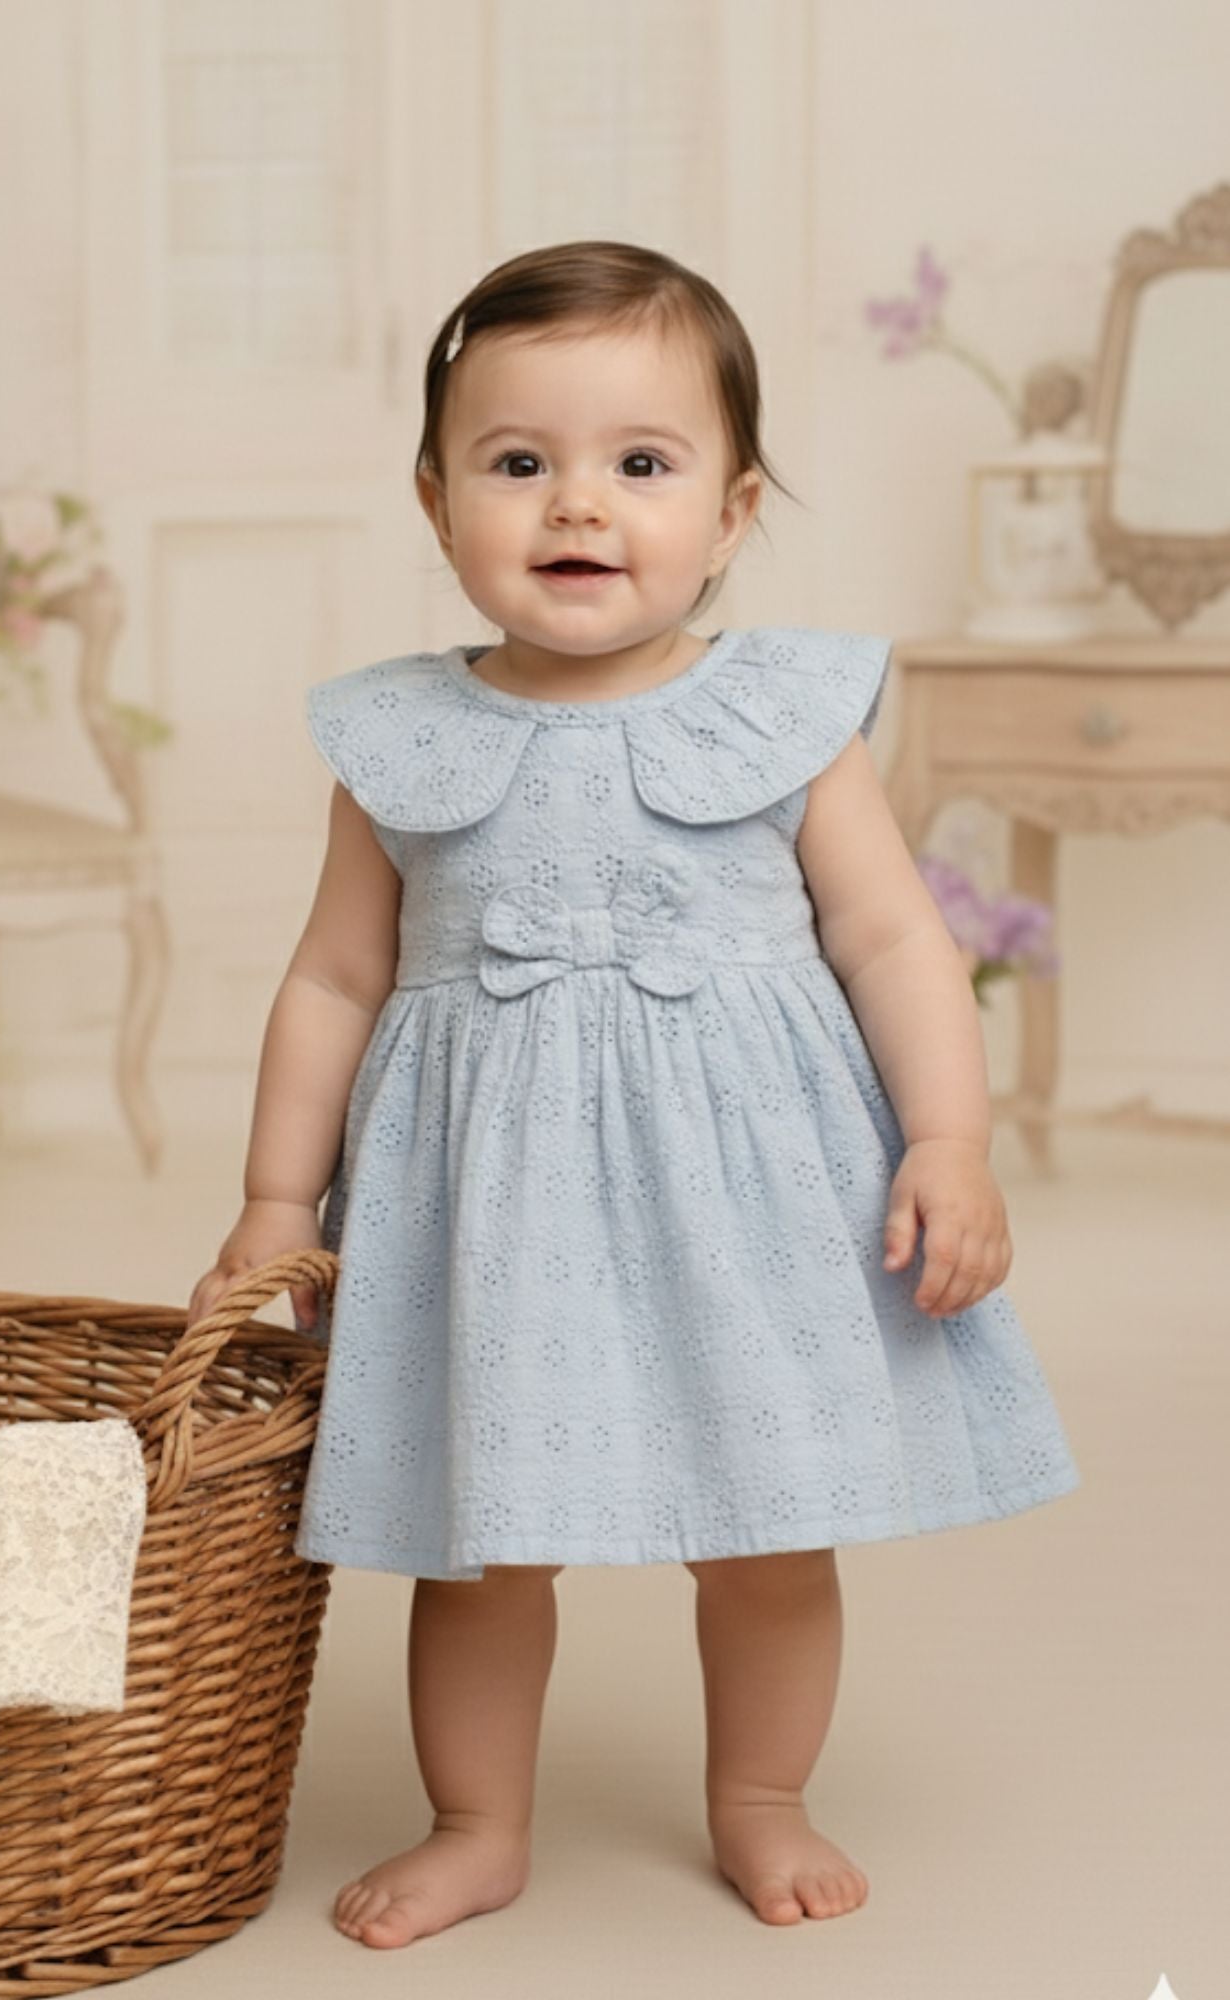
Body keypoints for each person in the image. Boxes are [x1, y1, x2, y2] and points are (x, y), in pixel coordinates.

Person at [186, 240, 1080, 1950]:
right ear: (438, 499)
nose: (574, 504)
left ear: (732, 511)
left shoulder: (784, 716)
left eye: (639, 465)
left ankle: (758, 1797)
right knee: (474, 1535)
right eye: (517, 462)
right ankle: (478, 1821)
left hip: (749, 1197)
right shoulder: (403, 740)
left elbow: (894, 940)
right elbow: (333, 979)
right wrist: (275, 1204)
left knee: (763, 1523)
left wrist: (950, 1141)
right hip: (490, 1204)